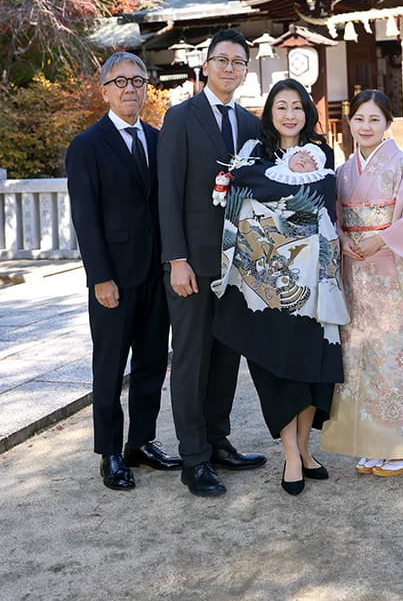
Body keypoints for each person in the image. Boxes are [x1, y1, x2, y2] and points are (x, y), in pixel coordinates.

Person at [211, 79, 348, 496]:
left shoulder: (322, 153)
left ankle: (305, 450)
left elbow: (322, 195)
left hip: (315, 287)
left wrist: (284, 192)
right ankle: (291, 455)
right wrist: (290, 189)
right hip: (268, 290)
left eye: (298, 108)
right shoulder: (254, 154)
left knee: (312, 372)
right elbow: (246, 186)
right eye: (281, 107)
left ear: (309, 113)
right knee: (279, 372)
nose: (290, 115)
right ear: (269, 112)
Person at [157, 29, 266, 498]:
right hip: (193, 263)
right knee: (190, 358)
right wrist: (176, 259)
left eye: (238, 62)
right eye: (221, 60)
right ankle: (194, 457)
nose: (229, 68)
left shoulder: (250, 123)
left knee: (226, 356)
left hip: (236, 263)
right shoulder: (180, 118)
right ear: (205, 66)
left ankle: (219, 441)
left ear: (246, 71)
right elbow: (167, 193)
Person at [66, 52, 181, 491]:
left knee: (153, 363)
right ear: (105, 91)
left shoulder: (158, 139)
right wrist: (100, 277)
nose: (131, 88)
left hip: (157, 273)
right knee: (110, 368)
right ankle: (110, 453)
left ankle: (142, 443)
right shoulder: (87, 146)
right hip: (114, 276)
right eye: (121, 82)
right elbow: (85, 217)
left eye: (139, 80)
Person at [320, 89, 403, 477]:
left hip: (391, 269)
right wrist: (344, 237)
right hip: (356, 269)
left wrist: (380, 238)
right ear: (350, 123)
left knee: (393, 356)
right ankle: (370, 443)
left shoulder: (402, 165)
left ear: (388, 124)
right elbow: (333, 214)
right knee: (360, 359)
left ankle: (401, 445)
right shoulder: (343, 171)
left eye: (374, 119)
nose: (366, 126)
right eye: (359, 119)